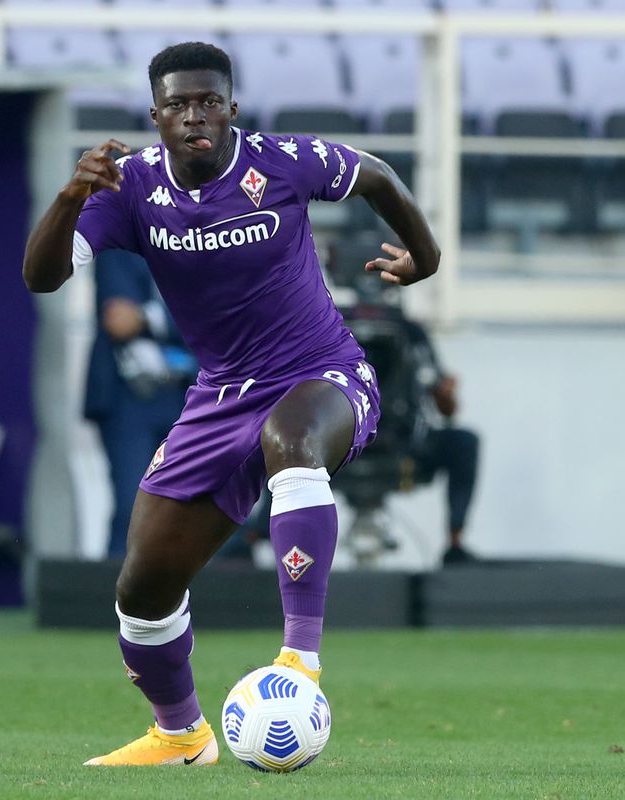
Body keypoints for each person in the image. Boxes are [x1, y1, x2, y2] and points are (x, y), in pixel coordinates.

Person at [22, 42, 439, 766]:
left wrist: (425, 258)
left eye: (209, 101)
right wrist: (68, 199)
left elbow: (377, 175)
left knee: (292, 439)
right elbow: (41, 277)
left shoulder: (282, 162)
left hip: (323, 371)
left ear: (232, 108)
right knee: (143, 588)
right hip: (220, 397)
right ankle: (180, 735)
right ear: (156, 116)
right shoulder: (129, 188)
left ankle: (299, 660)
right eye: (178, 104)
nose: (195, 116)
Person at [84, 249, 195, 557]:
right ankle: (116, 588)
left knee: (189, 512)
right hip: (127, 400)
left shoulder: (202, 242)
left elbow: (218, 313)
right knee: (132, 510)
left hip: (190, 395)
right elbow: (118, 320)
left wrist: (146, 317)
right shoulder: (119, 245)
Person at [405, 318, 481, 566]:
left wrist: (445, 392)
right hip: (342, 445)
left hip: (404, 441)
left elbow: (447, 409)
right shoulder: (333, 326)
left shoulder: (411, 333)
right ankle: (294, 552)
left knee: (464, 442)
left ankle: (455, 544)